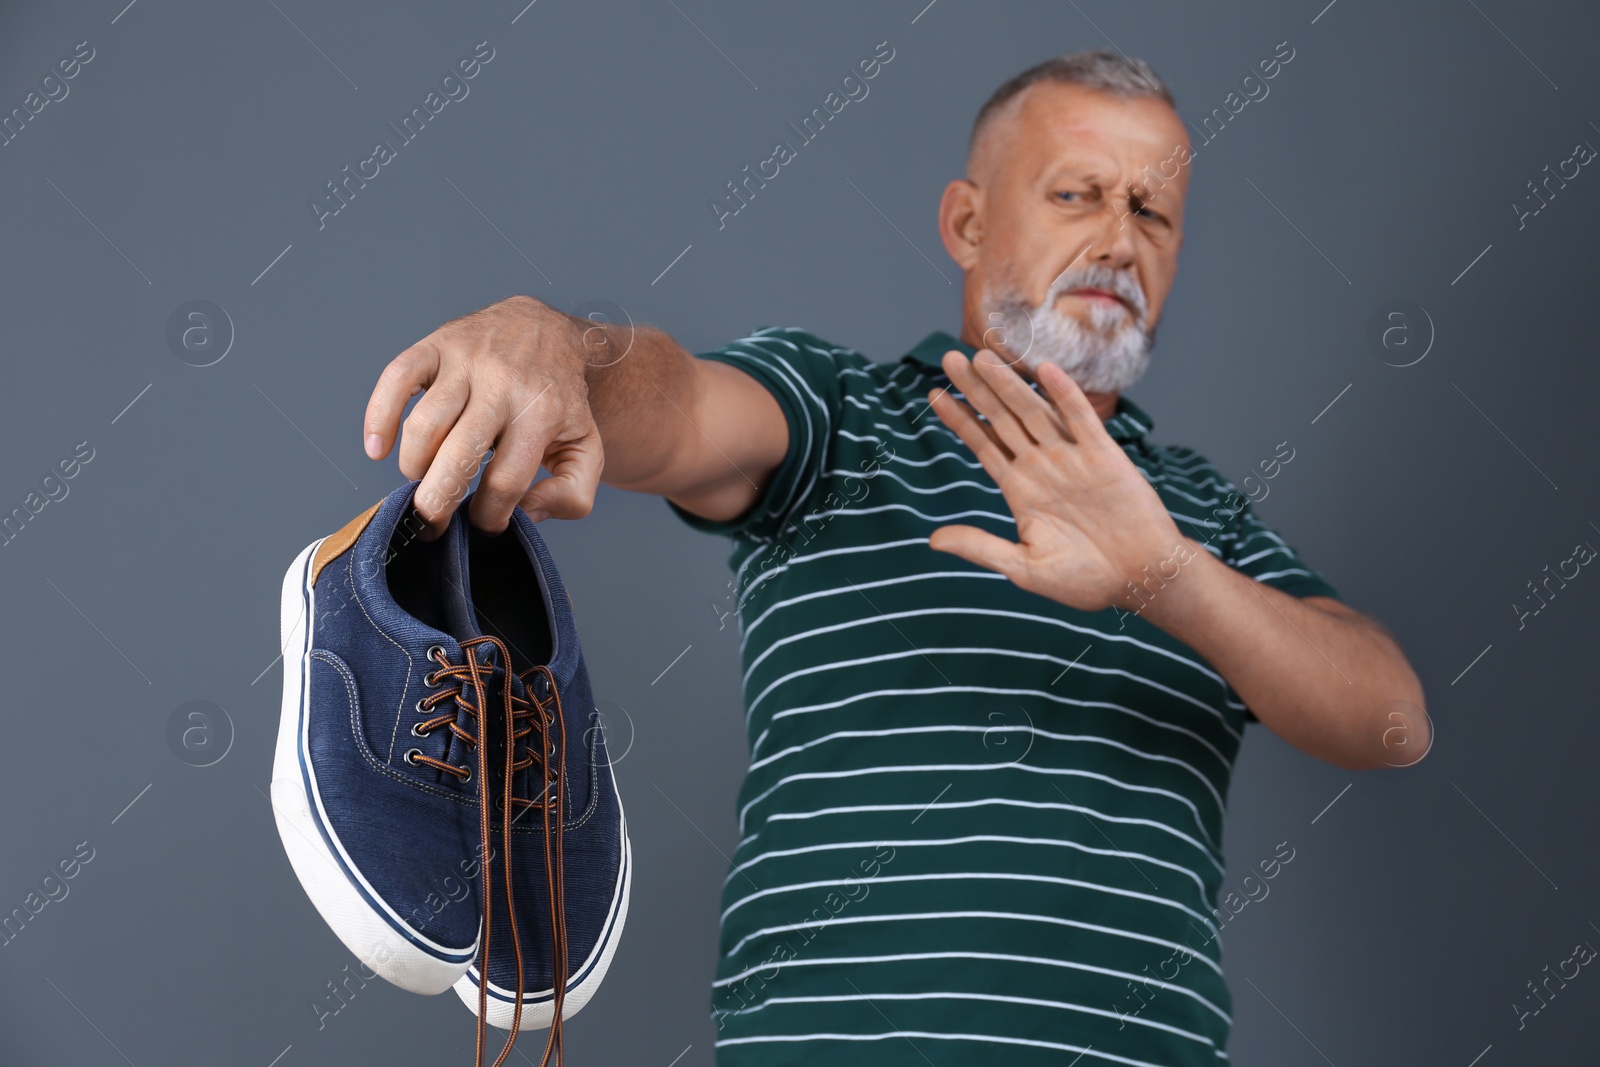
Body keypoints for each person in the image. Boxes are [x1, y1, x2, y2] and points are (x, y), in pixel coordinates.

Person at [361, 49, 1428, 1067]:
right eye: (1077, 195)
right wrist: (560, 346)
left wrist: (1164, 573)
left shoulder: (1199, 513)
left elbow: (1390, 720)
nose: (1117, 237)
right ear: (966, 221)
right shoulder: (844, 416)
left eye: (1151, 210)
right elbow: (679, 404)